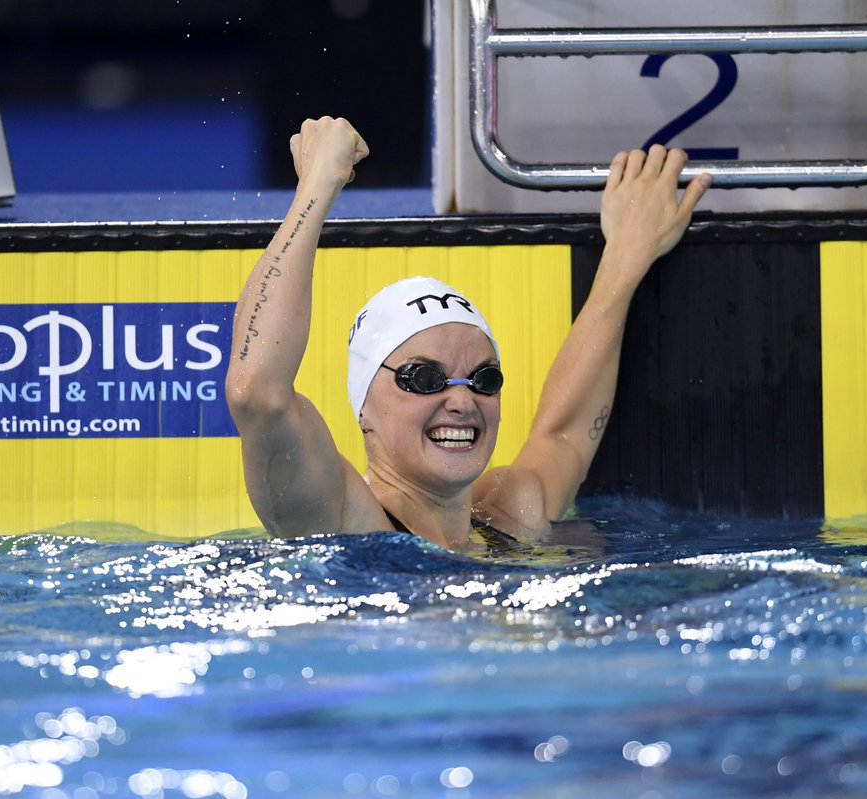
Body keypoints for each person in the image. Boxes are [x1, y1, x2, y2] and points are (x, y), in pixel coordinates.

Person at [225, 116, 710, 553]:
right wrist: (316, 188)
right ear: (363, 408)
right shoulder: (343, 524)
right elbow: (256, 394)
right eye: (424, 379)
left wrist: (625, 257)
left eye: (483, 379)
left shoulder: (509, 516)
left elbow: (562, 433)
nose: (461, 401)